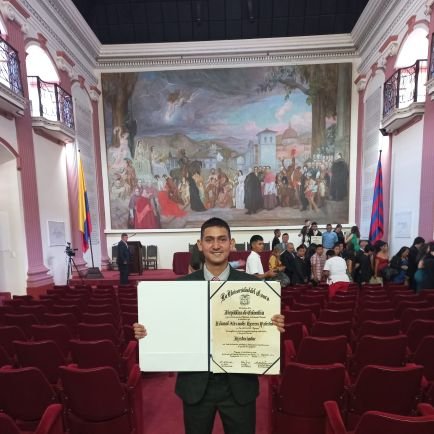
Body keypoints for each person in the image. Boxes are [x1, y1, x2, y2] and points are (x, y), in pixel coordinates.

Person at [133, 218, 284, 434]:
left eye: (222, 239)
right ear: (200, 244)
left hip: (239, 386)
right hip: (196, 386)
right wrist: (147, 332)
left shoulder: (253, 286)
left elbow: (262, 335)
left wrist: (273, 326)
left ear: (231, 243)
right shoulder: (179, 288)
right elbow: (168, 327)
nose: (216, 245)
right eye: (210, 240)